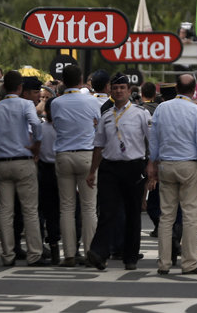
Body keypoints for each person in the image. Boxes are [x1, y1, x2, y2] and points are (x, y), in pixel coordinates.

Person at [0, 71, 47, 267]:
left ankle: (7, 254)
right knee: (30, 210)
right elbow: (35, 124)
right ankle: (34, 254)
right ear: (20, 88)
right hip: (23, 161)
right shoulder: (25, 105)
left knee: (6, 211)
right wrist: (36, 145)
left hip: (2, 163)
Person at [148, 73, 197, 275]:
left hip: (166, 164)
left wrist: (153, 162)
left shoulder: (162, 108)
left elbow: (154, 138)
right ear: (194, 89)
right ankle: (189, 263)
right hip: (189, 165)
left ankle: (164, 263)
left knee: (166, 216)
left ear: (176, 88)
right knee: (190, 216)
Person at [89, 73, 151, 270]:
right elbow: (98, 146)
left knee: (133, 212)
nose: (118, 91)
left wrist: (152, 166)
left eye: (122, 88)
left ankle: (130, 257)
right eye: (115, 88)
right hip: (110, 167)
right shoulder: (106, 116)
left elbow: (152, 141)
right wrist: (92, 171)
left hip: (133, 167)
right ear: (110, 91)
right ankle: (99, 252)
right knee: (107, 210)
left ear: (129, 91)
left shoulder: (141, 114)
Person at [51, 65, 106, 269]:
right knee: (89, 207)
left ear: (63, 80)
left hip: (64, 155)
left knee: (66, 207)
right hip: (86, 155)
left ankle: (70, 255)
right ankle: (90, 252)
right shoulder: (91, 101)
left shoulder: (56, 103)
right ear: (82, 79)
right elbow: (98, 125)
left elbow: (56, 125)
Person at [38, 98, 62, 264]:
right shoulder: (62, 129)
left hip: (42, 171)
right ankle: (58, 245)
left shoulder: (39, 129)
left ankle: (44, 246)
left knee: (42, 211)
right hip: (60, 170)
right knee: (60, 211)